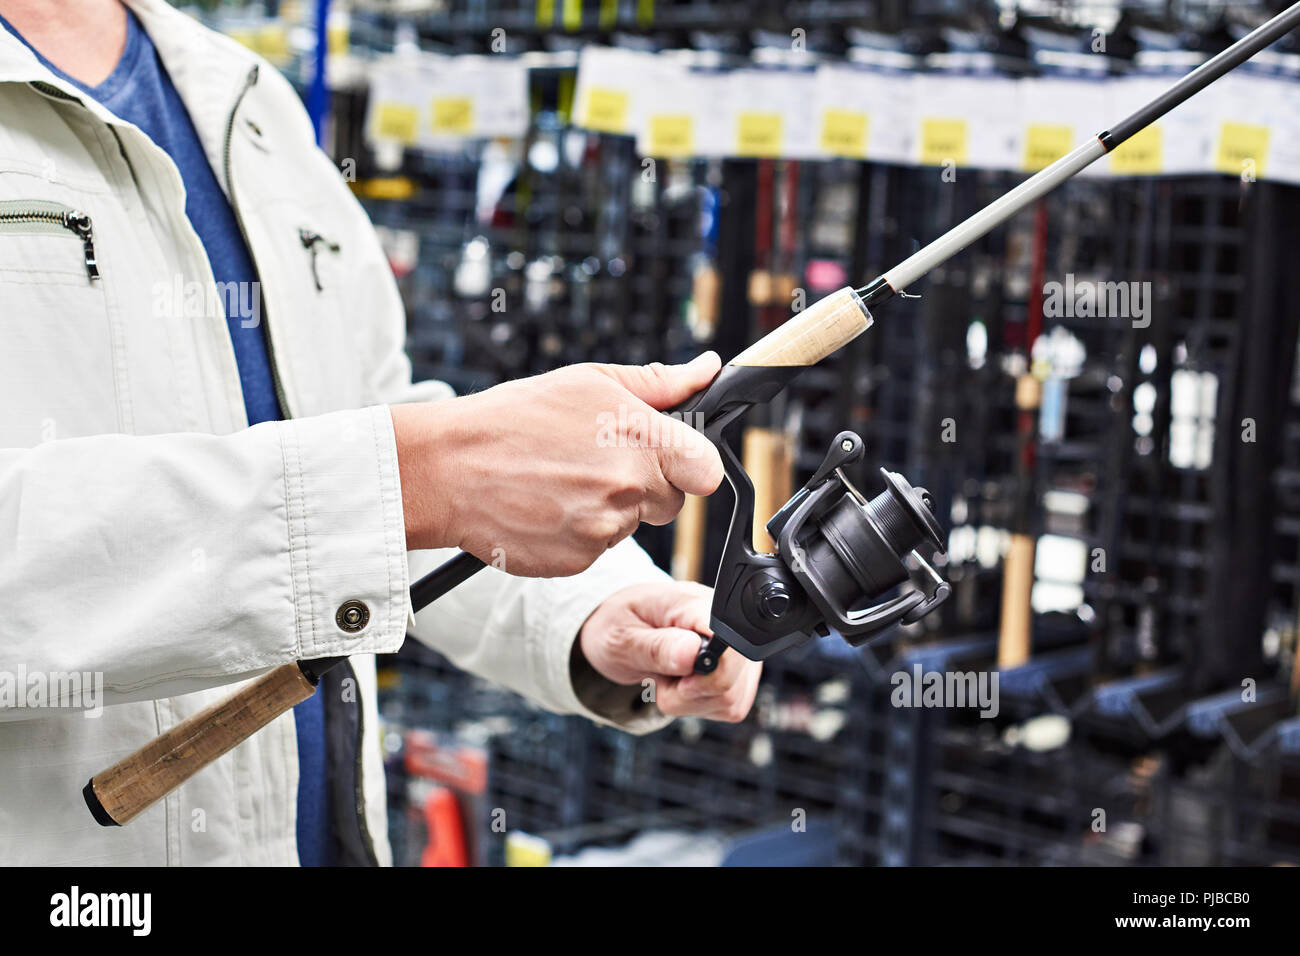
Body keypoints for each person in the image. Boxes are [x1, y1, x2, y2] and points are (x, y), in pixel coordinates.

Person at [0, 0, 760, 866]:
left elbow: (368, 419)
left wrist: (584, 610)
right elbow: (380, 482)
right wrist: (419, 477)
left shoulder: (244, 101)